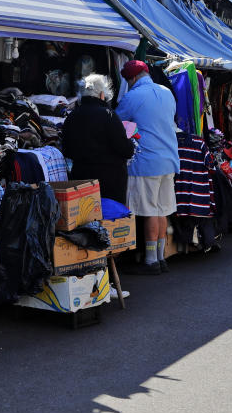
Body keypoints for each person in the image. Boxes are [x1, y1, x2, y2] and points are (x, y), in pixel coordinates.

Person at [114, 60, 179, 275]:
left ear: (131, 78)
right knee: (162, 211)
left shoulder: (132, 97)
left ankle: (151, 261)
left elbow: (116, 123)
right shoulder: (166, 92)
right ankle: (160, 258)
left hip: (147, 162)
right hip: (168, 159)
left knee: (150, 211)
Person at [61, 74, 134, 204]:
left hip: (80, 180)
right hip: (109, 183)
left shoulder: (72, 117)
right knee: (108, 221)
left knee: (85, 220)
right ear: (102, 94)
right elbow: (126, 150)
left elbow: (66, 151)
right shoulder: (109, 115)